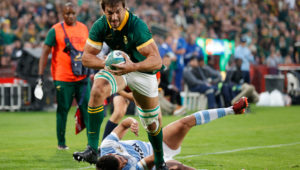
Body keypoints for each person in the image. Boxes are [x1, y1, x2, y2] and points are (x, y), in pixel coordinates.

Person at [73, 0, 168, 168]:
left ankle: (160, 162)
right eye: (110, 13)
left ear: (125, 8)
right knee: (98, 89)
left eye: (118, 11)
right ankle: (93, 149)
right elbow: (86, 57)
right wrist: (106, 63)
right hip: (118, 69)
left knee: (151, 123)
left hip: (142, 71)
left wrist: (133, 66)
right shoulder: (100, 25)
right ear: (103, 10)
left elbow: (156, 60)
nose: (114, 17)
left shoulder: (136, 26)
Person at [96, 97, 249, 170]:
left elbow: (123, 124)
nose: (124, 161)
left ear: (110, 154)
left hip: (155, 145)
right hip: (155, 160)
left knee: (185, 122)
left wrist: (132, 123)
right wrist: (168, 162)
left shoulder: (107, 146)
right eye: (122, 165)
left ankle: (232, 110)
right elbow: (152, 159)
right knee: (179, 168)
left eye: (120, 158)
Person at [37, 2, 91, 150]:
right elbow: (45, 53)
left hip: (82, 77)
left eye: (73, 13)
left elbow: (88, 50)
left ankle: (91, 144)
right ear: (62, 14)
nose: (70, 16)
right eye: (67, 13)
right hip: (63, 77)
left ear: (77, 13)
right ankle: (61, 143)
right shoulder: (55, 30)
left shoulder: (84, 28)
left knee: (88, 108)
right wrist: (40, 75)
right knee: (63, 110)